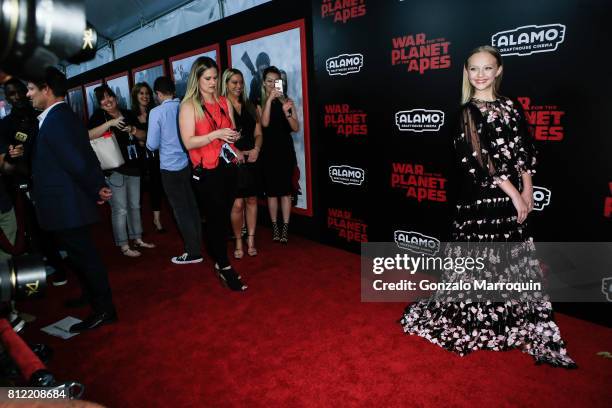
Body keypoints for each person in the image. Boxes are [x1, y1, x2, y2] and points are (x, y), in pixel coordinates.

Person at [399, 46, 576, 368]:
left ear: (498, 71)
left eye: (487, 68)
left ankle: (507, 321)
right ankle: (475, 320)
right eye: (473, 69)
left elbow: (523, 148)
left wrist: (528, 187)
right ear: (466, 73)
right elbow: (481, 162)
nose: (480, 75)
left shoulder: (512, 106)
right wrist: (514, 195)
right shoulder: (467, 112)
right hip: (481, 200)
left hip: (514, 195)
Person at [26, 67, 117, 332]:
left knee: (85, 256)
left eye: (32, 89)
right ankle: (91, 297)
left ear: (46, 89)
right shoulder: (58, 117)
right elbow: (82, 155)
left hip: (68, 205)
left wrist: (95, 189)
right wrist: (96, 186)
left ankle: (105, 310)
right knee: (79, 257)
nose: (28, 94)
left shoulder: (57, 119)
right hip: (66, 204)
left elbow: (77, 161)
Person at [178, 56, 246, 291]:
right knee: (215, 220)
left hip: (228, 168)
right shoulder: (188, 105)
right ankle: (223, 265)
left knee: (223, 217)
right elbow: (188, 142)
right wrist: (216, 135)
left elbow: (232, 130)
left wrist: (233, 140)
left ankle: (220, 260)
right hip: (206, 172)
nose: (213, 82)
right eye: (208, 78)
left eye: (216, 77)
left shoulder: (224, 102)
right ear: (196, 79)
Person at [0, 79, 67, 286]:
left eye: (21, 91)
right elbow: (6, 163)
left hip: (54, 179)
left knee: (61, 222)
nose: (18, 96)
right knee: (35, 228)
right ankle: (54, 268)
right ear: (7, 98)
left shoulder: (41, 115)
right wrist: (14, 159)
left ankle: (63, 257)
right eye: (11, 94)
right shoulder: (5, 125)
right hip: (24, 185)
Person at [88, 84, 155, 257]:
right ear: (100, 103)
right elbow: (87, 136)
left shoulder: (128, 113)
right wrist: (110, 123)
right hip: (113, 168)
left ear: (115, 98)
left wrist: (132, 129)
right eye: (102, 99)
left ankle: (137, 238)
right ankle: (124, 245)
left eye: (109, 96)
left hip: (133, 166)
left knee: (135, 206)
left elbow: (144, 135)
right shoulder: (98, 116)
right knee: (120, 209)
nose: (107, 101)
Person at [147, 76, 203, 264]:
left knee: (181, 210)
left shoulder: (157, 112)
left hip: (169, 168)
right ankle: (198, 243)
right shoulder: (185, 106)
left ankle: (193, 251)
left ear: (158, 93)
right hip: (188, 163)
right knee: (193, 206)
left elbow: (152, 144)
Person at [220, 68, 263, 259]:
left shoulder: (250, 106)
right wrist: (235, 151)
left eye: (240, 82)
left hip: (252, 159)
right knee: (237, 204)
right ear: (226, 84)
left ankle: (251, 239)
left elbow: (259, 133)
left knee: (252, 200)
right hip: (232, 160)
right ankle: (238, 239)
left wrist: (256, 150)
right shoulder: (220, 106)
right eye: (233, 82)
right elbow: (219, 137)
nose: (238, 86)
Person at [260, 66, 299, 243]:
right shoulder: (259, 103)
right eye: (269, 81)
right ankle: (275, 227)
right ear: (264, 82)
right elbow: (265, 124)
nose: (272, 84)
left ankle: (285, 228)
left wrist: (287, 111)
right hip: (268, 153)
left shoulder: (288, 101)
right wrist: (269, 100)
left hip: (285, 152)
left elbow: (295, 127)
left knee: (285, 192)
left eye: (276, 81)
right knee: (272, 193)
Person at [131, 82, 165, 233]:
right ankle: (136, 224)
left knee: (156, 186)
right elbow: (133, 138)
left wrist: (143, 138)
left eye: (147, 93)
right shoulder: (130, 114)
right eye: (141, 93)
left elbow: (160, 135)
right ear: (135, 96)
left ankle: (157, 219)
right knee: (137, 191)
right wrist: (142, 138)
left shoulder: (155, 111)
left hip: (157, 156)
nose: (145, 96)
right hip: (138, 158)